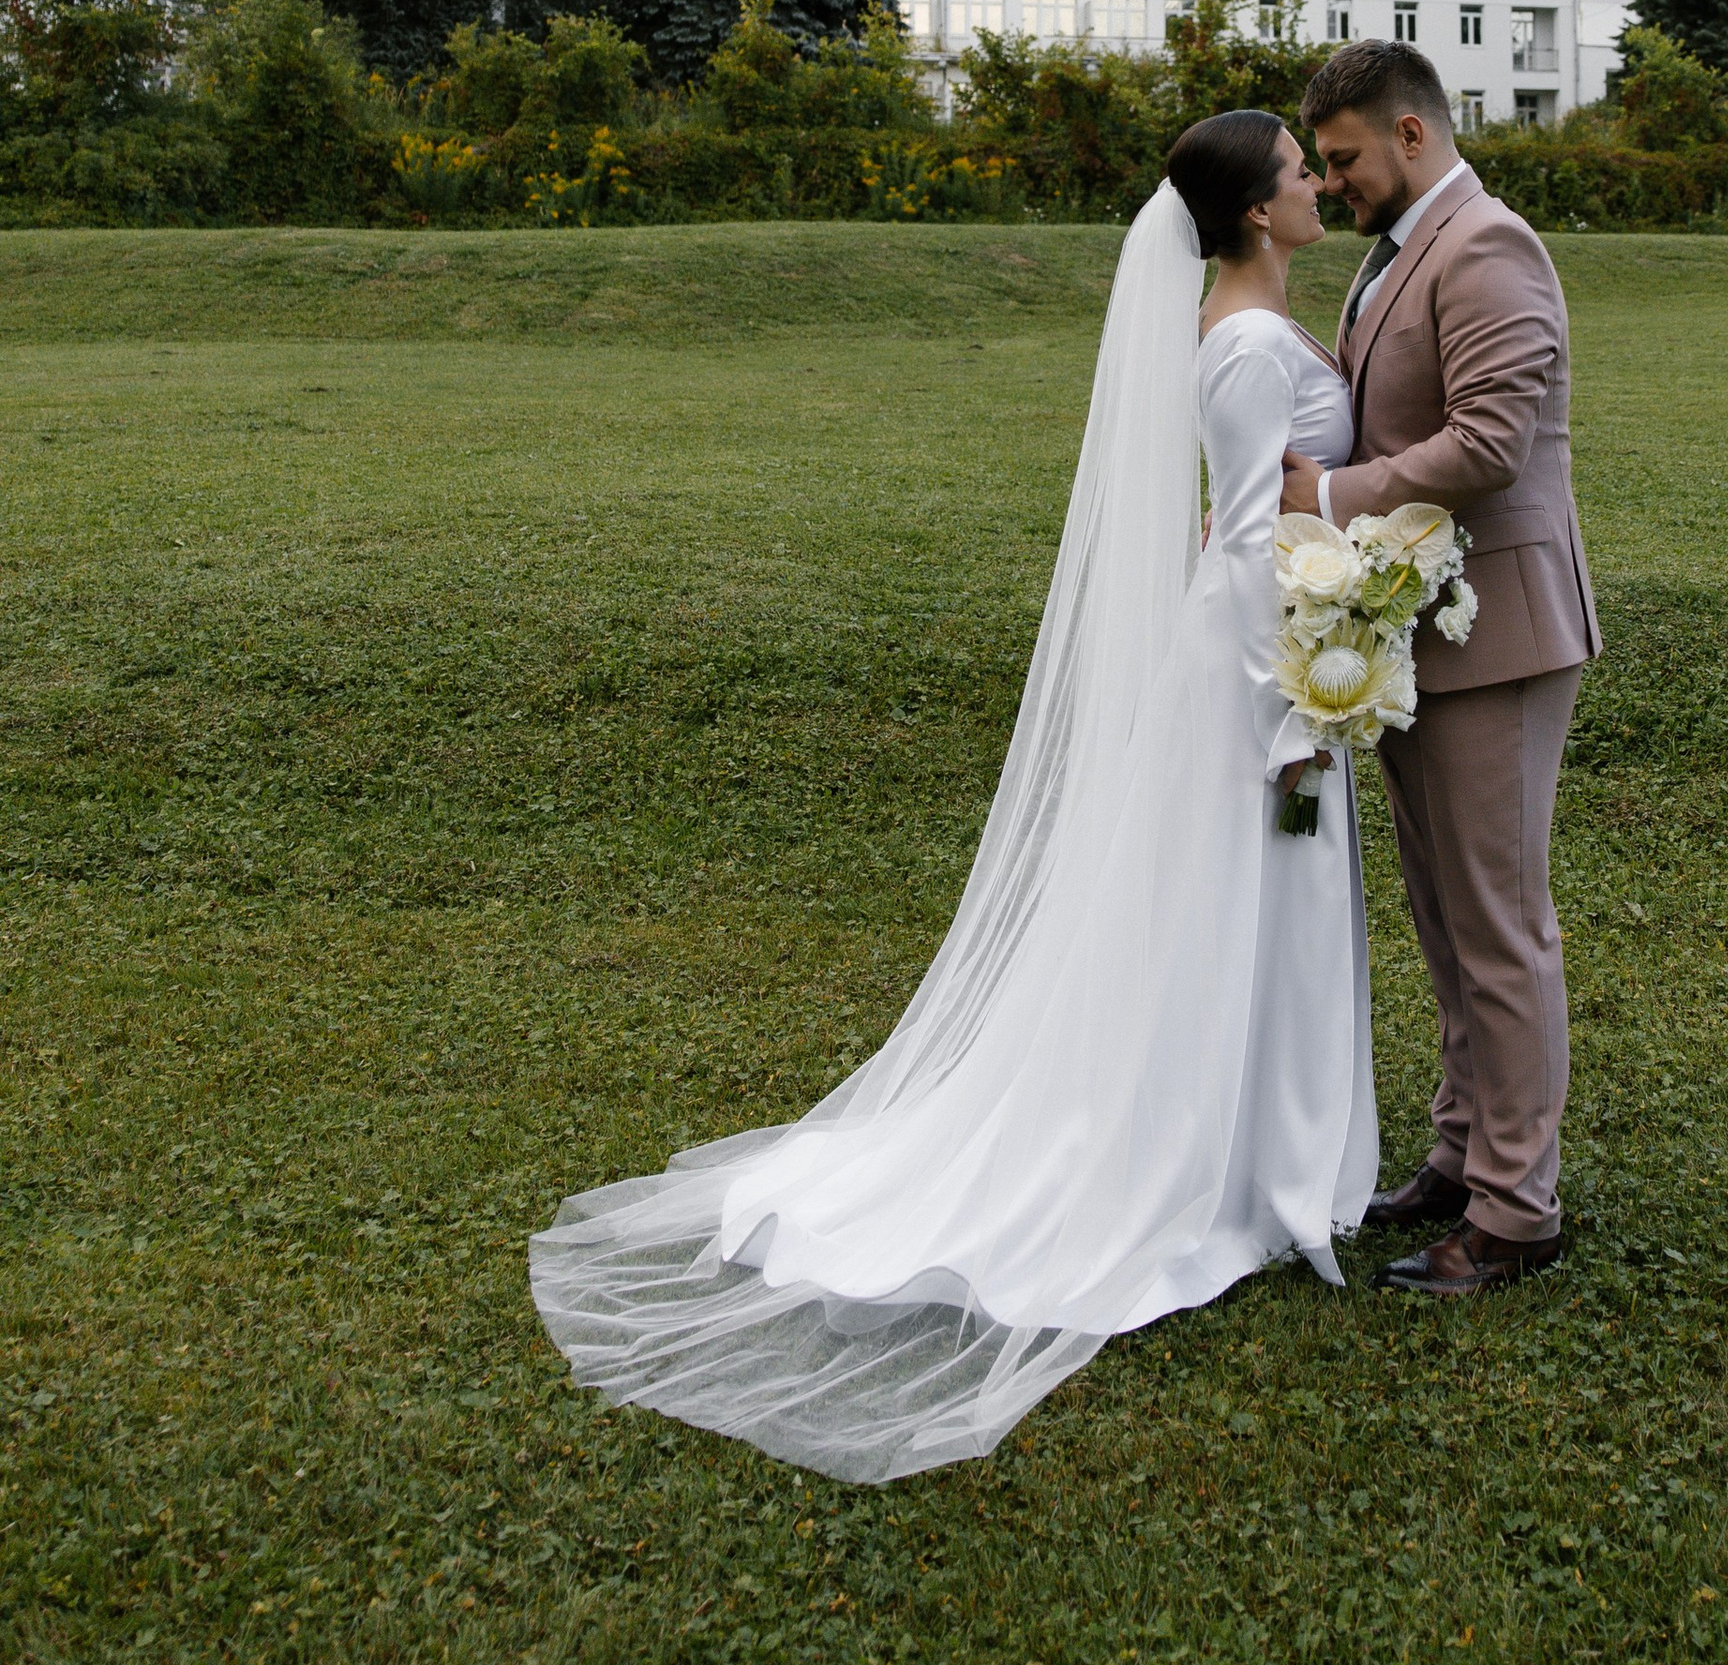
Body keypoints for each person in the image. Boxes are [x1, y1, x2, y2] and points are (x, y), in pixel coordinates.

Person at [529, 115, 1376, 1484]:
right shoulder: (1234, 343)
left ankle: (1269, 1164)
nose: (1314, 182)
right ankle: (1232, 1173)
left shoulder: (1258, 318)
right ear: (1251, 214)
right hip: (1254, 688)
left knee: (1252, 922)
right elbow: (1233, 548)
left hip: (1286, 668)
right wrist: (1293, 703)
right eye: (1295, 168)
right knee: (1234, 917)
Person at [1283, 39, 1599, 1296]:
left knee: (1499, 924)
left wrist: (1326, 493)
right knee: (1443, 913)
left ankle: (1518, 1210)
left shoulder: (1486, 246)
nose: (1336, 180)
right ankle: (1462, 1152)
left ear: (1409, 134)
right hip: (1424, 627)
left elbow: (1488, 441)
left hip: (1502, 632)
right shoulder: (1395, 251)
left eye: (1346, 157)